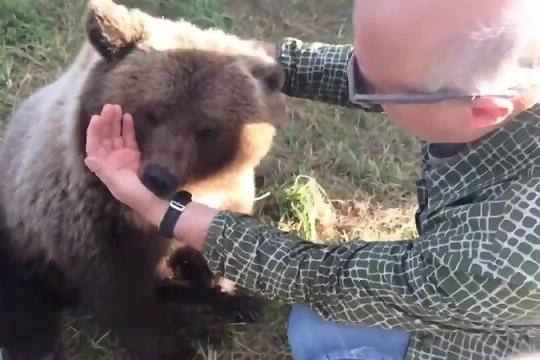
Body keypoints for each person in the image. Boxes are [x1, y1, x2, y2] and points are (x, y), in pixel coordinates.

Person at [83, 0, 540, 359]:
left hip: (496, 328)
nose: (361, 89)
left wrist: (163, 210)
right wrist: (229, 59)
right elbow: (379, 69)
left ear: (484, 108)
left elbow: (323, 277)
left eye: (376, 87)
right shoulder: (505, 74)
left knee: (318, 331)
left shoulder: (502, 252)